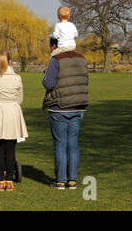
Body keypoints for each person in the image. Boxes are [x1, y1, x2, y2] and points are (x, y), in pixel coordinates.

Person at [42, 37, 89, 190]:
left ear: (54, 45)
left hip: (60, 106)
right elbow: (85, 80)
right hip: (78, 105)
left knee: (60, 144)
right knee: (73, 143)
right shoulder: (81, 58)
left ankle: (61, 180)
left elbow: (48, 83)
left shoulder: (56, 59)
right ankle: (73, 180)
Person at [0, 50, 28, 191]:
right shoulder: (17, 78)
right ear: (10, 62)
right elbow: (20, 99)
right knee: (10, 149)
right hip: (11, 112)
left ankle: (0, 181)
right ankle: (9, 181)